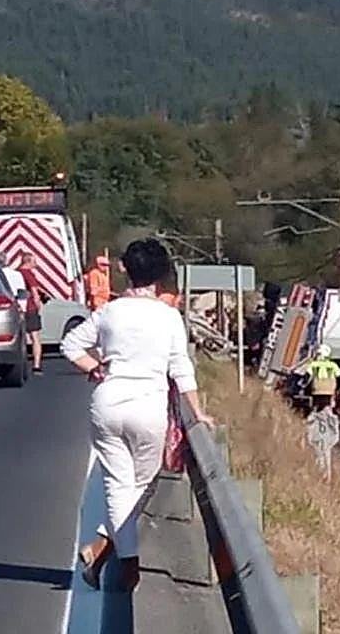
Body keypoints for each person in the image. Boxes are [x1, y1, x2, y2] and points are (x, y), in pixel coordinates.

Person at [62, 238, 213, 592]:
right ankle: (111, 554)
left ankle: (116, 557)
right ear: (161, 276)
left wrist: (96, 368)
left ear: (123, 270)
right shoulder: (168, 317)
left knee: (117, 485)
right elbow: (181, 368)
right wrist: (198, 411)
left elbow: (71, 344)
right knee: (143, 484)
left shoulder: (110, 312)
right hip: (149, 408)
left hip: (108, 404)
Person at [19, 252, 45, 373]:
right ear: (28, 262)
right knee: (35, 337)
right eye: (34, 262)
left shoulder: (16, 273)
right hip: (29, 308)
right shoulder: (28, 274)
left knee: (20, 338)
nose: (36, 264)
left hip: (17, 309)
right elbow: (34, 291)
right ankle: (36, 365)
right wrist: (38, 304)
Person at [306, 342, 340, 414]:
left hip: (316, 389)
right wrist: (337, 389)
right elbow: (339, 377)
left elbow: (307, 376)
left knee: (315, 408)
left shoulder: (313, 364)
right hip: (329, 390)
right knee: (327, 408)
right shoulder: (333, 365)